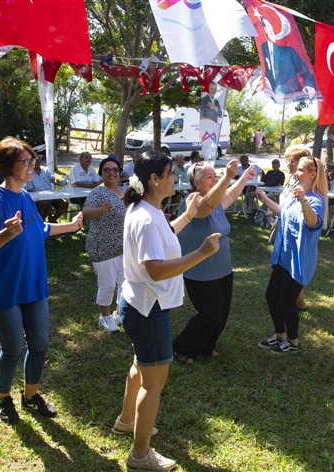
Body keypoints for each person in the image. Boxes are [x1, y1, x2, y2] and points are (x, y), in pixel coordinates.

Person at [114, 150, 220, 471]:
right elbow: (156, 269)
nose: (176, 178)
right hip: (149, 309)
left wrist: (187, 216)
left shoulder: (147, 209)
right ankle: (140, 456)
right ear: (154, 179)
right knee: (153, 384)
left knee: (140, 366)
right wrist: (201, 253)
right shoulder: (146, 217)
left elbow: (164, 237)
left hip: (138, 304)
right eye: (171, 173)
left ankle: (126, 420)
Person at [0, 137, 83, 425]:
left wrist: (70, 226)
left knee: (40, 345)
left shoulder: (25, 197)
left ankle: (31, 395)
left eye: (32, 160)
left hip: (33, 285)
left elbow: (41, 228)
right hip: (5, 289)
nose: (32, 165)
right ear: (9, 166)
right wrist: (6, 234)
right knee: (11, 349)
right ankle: (3, 397)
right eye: (26, 161)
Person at [172, 159, 256, 364]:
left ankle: (206, 346)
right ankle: (181, 347)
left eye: (215, 176)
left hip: (223, 269)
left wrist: (244, 177)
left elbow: (230, 196)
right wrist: (227, 177)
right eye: (209, 177)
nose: (214, 180)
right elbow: (206, 206)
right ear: (196, 183)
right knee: (210, 312)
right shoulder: (193, 199)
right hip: (201, 271)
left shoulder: (217, 200)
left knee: (222, 311)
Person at [255, 154, 328, 354]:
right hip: (283, 256)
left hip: (299, 260)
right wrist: (265, 199)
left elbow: (313, 222)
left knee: (287, 302)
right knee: (272, 296)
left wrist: (304, 200)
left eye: (301, 170)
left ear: (313, 174)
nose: (296, 173)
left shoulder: (315, 200)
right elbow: (283, 213)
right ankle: (280, 336)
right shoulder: (295, 195)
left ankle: (294, 342)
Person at [257, 145, 312, 311]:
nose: (288, 164)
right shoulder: (292, 179)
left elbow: (296, 212)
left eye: (292, 161)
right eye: (287, 160)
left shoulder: (305, 186)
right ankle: (296, 300)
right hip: (283, 226)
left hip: (293, 233)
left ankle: (297, 302)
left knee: (291, 268)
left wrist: (267, 202)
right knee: (283, 266)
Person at [82, 156, 126, 332]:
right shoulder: (98, 192)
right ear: (101, 173)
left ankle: (118, 312)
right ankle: (105, 316)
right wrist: (101, 210)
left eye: (115, 169)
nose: (111, 173)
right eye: (107, 170)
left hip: (123, 247)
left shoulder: (124, 192)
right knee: (107, 284)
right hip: (103, 247)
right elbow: (85, 212)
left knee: (124, 282)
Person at [259, 17, 317, 99]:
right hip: (272, 100)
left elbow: (305, 72)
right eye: (268, 27)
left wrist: (310, 86)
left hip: (294, 96)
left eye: (272, 27)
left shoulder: (288, 51)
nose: (272, 31)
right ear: (263, 29)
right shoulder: (262, 50)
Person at [25, 154, 68, 223]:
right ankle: (41, 224)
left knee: (64, 204)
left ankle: (52, 220)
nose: (38, 161)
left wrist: (59, 182)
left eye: (39, 159)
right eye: (36, 160)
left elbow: (53, 179)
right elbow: (30, 190)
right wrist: (40, 199)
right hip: (38, 199)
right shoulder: (28, 173)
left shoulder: (46, 169)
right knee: (43, 205)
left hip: (50, 196)